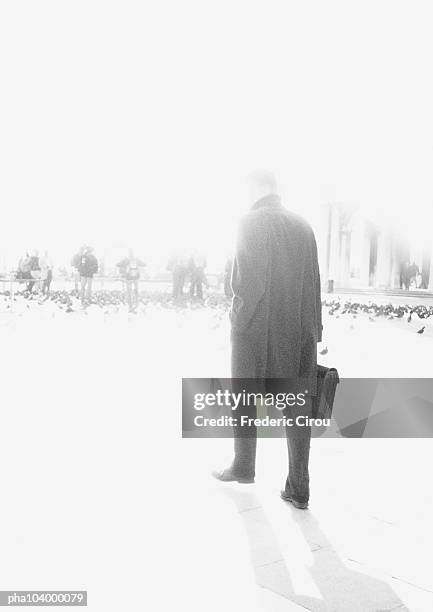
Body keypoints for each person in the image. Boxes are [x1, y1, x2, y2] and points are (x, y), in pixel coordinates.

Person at [212, 171, 322, 510]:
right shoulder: (304, 226)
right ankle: (298, 486)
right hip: (299, 329)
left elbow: (248, 283)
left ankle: (243, 465)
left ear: (257, 187)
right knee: (297, 405)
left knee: (244, 395)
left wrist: (236, 320)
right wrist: (314, 330)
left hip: (257, 329)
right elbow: (314, 282)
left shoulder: (249, 222)